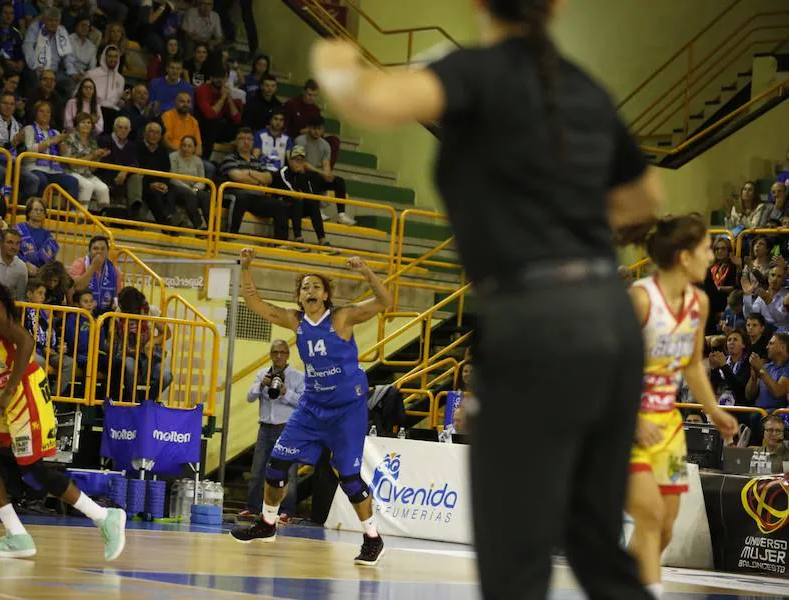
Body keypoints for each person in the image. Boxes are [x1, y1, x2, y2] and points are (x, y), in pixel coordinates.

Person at [310, 0, 677, 596]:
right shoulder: (585, 86)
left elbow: (368, 100)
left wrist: (334, 59)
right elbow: (646, 198)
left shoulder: (474, 71)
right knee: (593, 546)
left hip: (537, 319)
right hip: (609, 317)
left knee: (515, 558)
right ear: (554, 8)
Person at [0, 250, 126, 559]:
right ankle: (17, 536)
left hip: (21, 388)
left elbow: (25, 340)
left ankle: (105, 517)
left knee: (35, 471)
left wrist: (9, 391)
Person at [230, 248, 391, 566]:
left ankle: (372, 537)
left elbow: (385, 302)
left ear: (327, 294)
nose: (311, 290)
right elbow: (255, 303)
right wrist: (245, 267)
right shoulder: (296, 321)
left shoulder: (342, 317)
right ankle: (267, 523)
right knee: (275, 465)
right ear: (300, 297)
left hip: (347, 410)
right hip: (313, 407)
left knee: (349, 477)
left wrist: (367, 272)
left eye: (316, 286)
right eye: (305, 287)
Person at [626, 216, 739, 598]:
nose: (712, 256)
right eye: (707, 248)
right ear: (684, 256)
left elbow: (691, 364)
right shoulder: (641, 299)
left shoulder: (700, 302)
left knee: (666, 528)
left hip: (668, 426)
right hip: (627, 424)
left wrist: (714, 409)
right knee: (650, 516)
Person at [244, 339, 303, 518]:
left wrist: (286, 392)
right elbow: (249, 397)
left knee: (289, 473)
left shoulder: (297, 377)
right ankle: (253, 507)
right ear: (270, 355)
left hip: (287, 430)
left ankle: (286, 511)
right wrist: (261, 384)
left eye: (282, 352)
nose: (278, 356)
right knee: (257, 471)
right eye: (275, 352)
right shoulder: (263, 373)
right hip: (265, 428)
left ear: (287, 355)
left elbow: (303, 402)